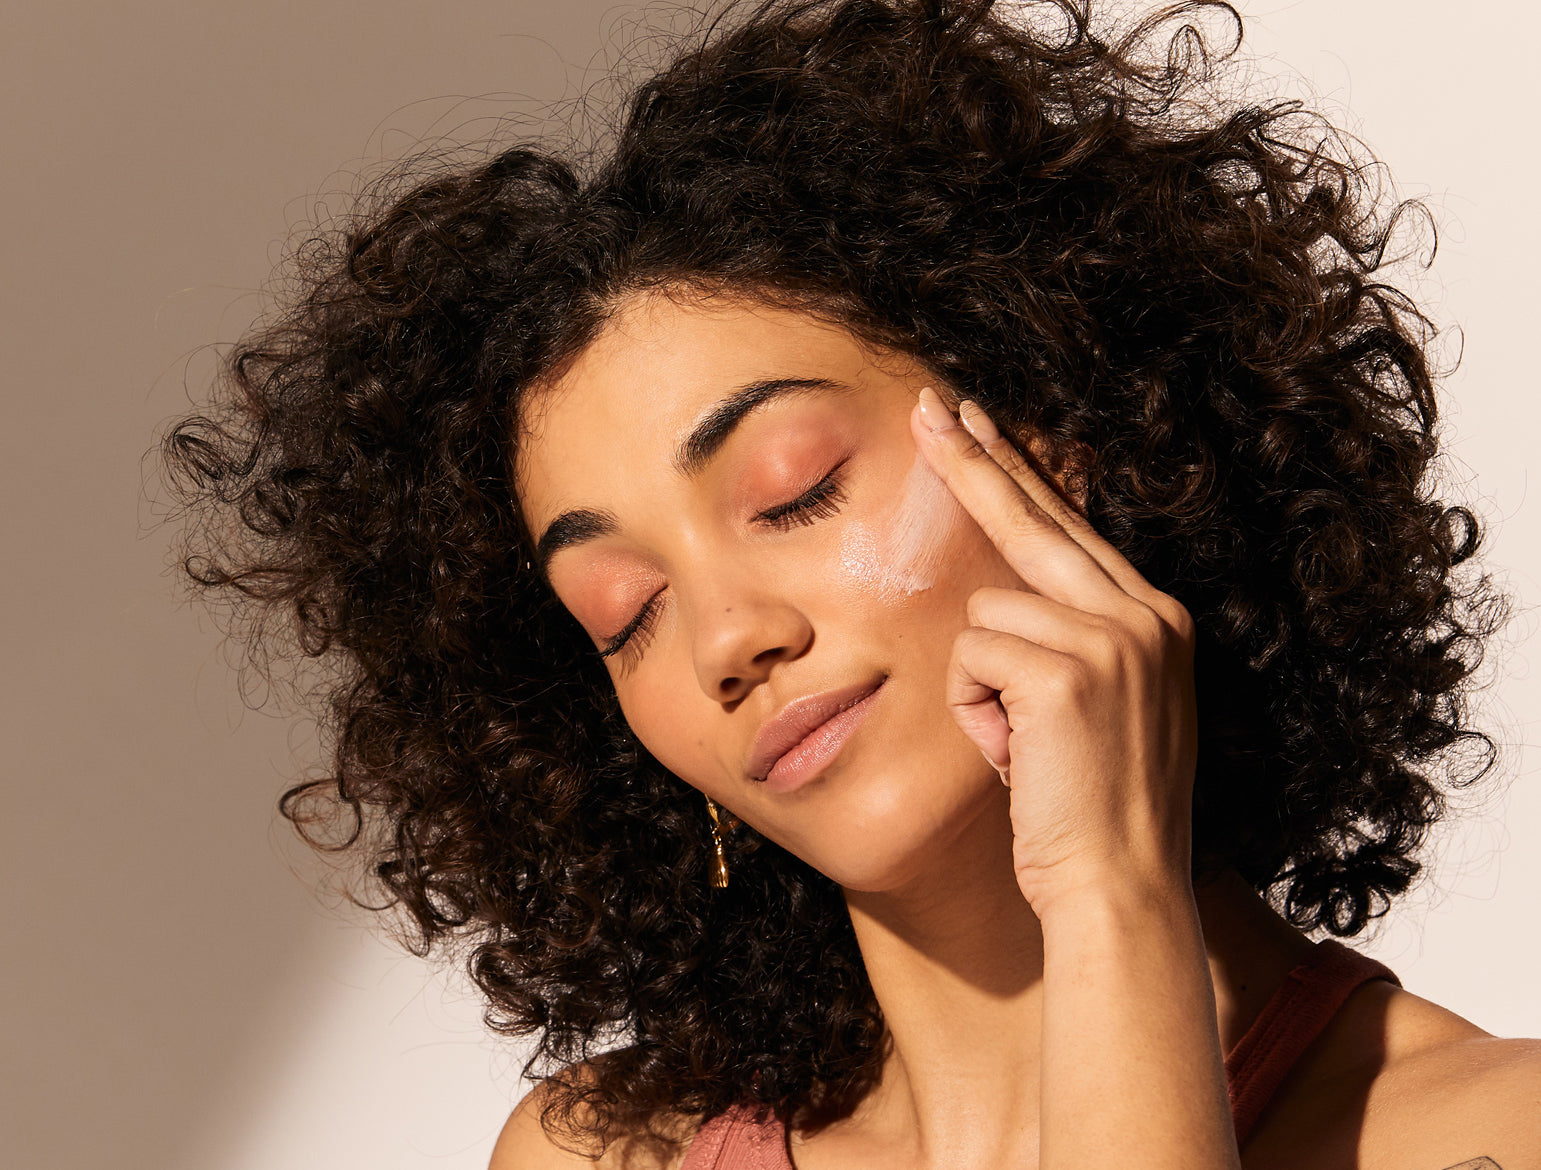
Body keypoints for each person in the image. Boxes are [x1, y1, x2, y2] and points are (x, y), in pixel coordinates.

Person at [161, 0, 1540, 1165]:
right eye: (623, 614)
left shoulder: (1488, 1131)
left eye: (795, 491)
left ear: (1063, 439)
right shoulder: (600, 1155)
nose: (726, 638)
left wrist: (1110, 899)